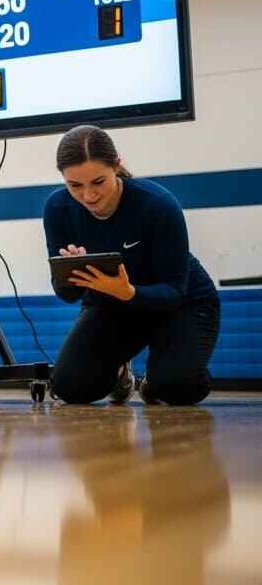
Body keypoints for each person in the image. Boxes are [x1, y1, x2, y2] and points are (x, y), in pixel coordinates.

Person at [43, 124, 220, 405]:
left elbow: (174, 290)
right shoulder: (57, 209)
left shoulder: (158, 205)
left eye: (98, 182)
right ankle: (120, 374)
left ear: (117, 165)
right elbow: (65, 295)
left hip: (183, 304)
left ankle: (157, 381)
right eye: (75, 185)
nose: (88, 196)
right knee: (70, 387)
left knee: (177, 386)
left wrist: (129, 293)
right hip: (111, 305)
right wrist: (72, 273)